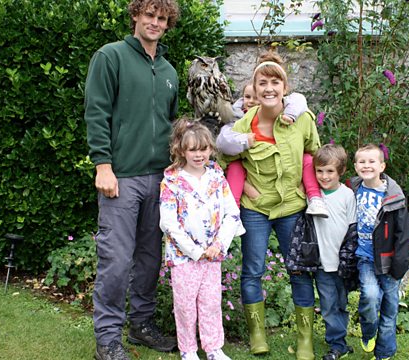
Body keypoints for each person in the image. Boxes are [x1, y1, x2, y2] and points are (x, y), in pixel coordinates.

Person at [83, 0, 180, 359]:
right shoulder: (110, 57)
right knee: (117, 260)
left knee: (150, 258)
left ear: (168, 23)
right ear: (136, 16)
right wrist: (102, 165)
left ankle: (141, 325)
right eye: (149, 15)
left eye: (161, 17)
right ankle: (107, 338)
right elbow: (96, 111)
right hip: (121, 177)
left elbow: (170, 125)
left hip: (161, 180)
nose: (155, 22)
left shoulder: (169, 70)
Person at [220, 52, 320, 360]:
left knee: (300, 271)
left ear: (285, 86)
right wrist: (246, 186)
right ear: (254, 87)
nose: (268, 88)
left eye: (275, 82)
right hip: (256, 209)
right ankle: (257, 335)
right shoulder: (241, 126)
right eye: (262, 82)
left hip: (291, 207)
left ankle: (304, 340)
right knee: (252, 272)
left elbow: (313, 155)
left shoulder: (302, 120)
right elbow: (226, 159)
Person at [159, 120, 245, 360]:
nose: (199, 154)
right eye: (193, 149)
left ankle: (213, 348)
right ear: (181, 150)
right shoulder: (172, 182)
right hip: (184, 257)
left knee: (210, 302)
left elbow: (231, 212)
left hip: (213, 254)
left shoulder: (217, 176)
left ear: (211, 149)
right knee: (185, 306)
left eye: (203, 149)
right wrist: (195, 251)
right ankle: (188, 350)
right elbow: (169, 223)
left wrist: (219, 244)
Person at [217, 83, 329, 218]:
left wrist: (291, 114)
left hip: (289, 198)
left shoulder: (286, 114)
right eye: (247, 97)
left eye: (255, 98)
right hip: (254, 193)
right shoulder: (237, 118)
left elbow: (298, 100)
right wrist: (243, 140)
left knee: (307, 159)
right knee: (235, 166)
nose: (251, 101)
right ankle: (232, 213)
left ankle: (315, 197)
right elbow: (224, 144)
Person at [349, 144, 409, 360]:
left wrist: (399, 265)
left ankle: (385, 351)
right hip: (365, 258)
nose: (366, 165)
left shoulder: (394, 197)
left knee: (389, 309)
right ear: (356, 166)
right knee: (369, 295)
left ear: (382, 166)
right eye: (362, 162)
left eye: (371, 161)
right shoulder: (353, 189)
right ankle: (368, 332)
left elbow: (404, 235)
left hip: (389, 261)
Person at [310, 144, 356, 360]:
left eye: (329, 171)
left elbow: (352, 229)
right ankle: (336, 344)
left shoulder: (347, 195)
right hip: (322, 263)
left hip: (342, 263)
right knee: (328, 306)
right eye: (319, 171)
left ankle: (341, 341)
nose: (324, 176)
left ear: (341, 171)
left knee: (341, 304)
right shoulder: (313, 194)